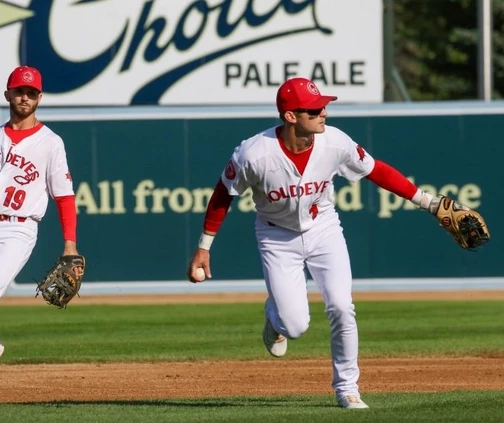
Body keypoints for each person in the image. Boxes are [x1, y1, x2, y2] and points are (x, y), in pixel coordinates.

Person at [186, 77, 443, 409]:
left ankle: (348, 388)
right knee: (295, 326)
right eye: (314, 108)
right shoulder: (254, 153)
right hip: (276, 235)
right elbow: (224, 194)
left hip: (323, 228)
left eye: (324, 105)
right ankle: (274, 317)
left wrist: (429, 202)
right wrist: (204, 247)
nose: (324, 111)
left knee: (341, 306)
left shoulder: (334, 142)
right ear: (291, 116)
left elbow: (376, 170)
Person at [0, 66, 81, 390]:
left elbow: (63, 196)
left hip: (17, 231)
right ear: (7, 94)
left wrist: (70, 245)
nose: (25, 97)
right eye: (20, 91)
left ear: (39, 98)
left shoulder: (50, 143)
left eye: (32, 93)